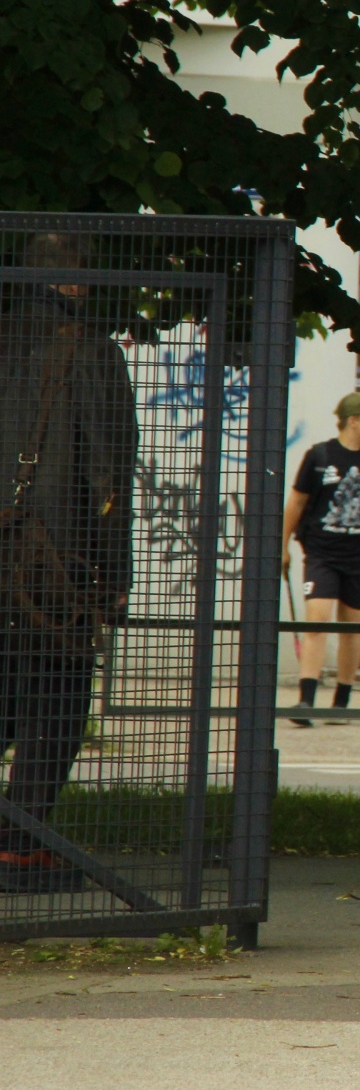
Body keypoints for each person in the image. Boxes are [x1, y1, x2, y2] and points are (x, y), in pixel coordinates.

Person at [0, 233, 135, 894]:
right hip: (54, 565)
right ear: (75, 282)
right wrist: (114, 579)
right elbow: (108, 480)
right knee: (57, 700)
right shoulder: (92, 352)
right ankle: (20, 847)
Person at [281, 392, 360, 726]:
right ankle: (306, 700)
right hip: (322, 551)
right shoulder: (319, 455)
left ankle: (341, 702)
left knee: (351, 627)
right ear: (353, 421)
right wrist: (282, 545)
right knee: (317, 619)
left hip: (359, 555)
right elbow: (297, 503)